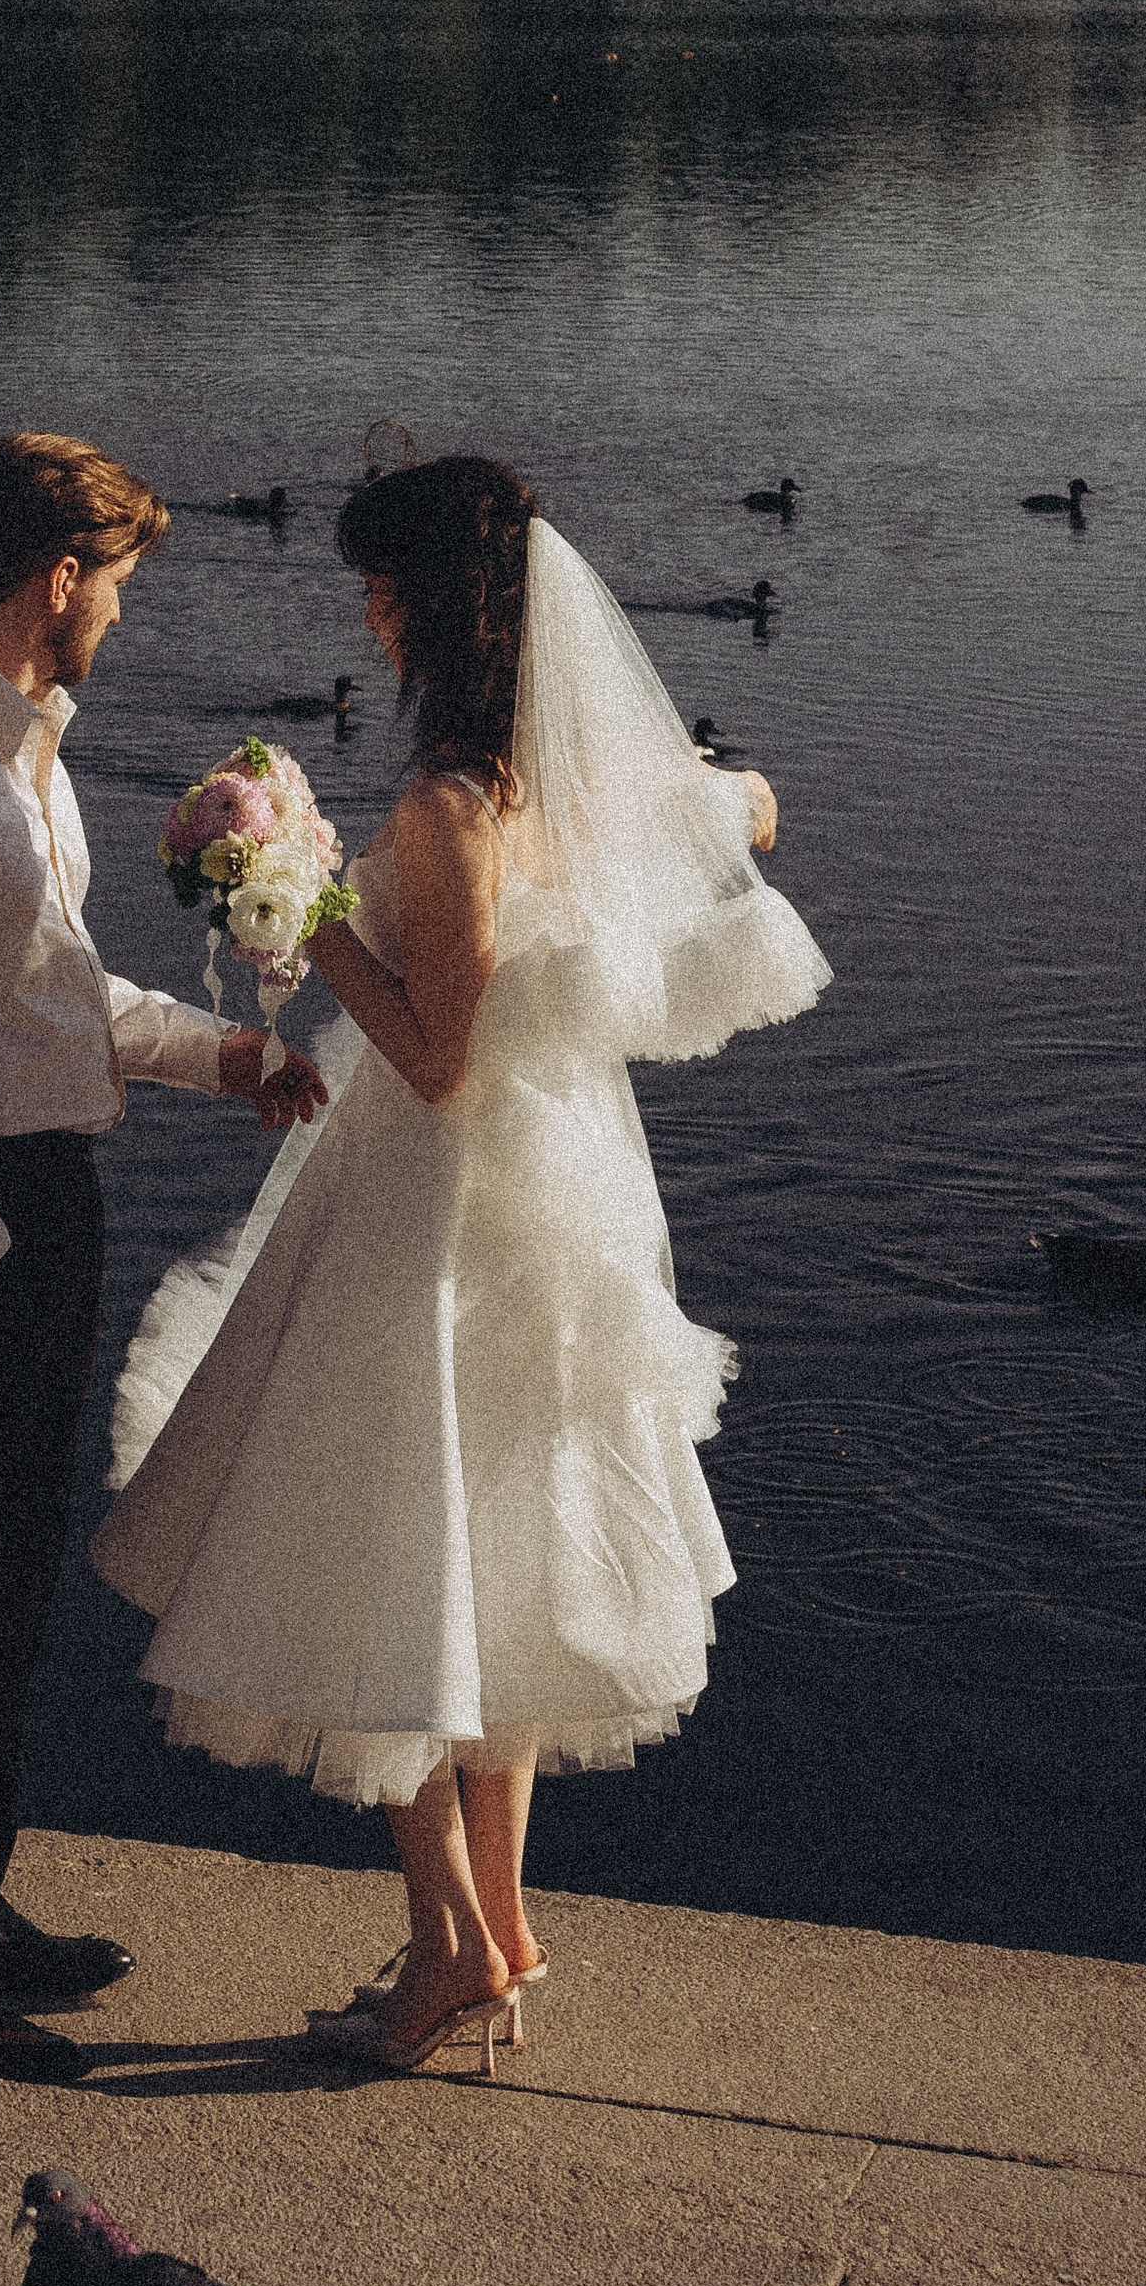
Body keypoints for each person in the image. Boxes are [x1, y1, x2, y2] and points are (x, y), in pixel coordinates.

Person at [94, 455, 830, 2074]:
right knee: (495, 1558)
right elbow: (750, 808)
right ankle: (501, 1928)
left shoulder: (446, 802)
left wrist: (301, 927)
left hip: (432, 1207)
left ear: (433, 603)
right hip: (553, 1212)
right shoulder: (558, 778)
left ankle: (447, 1942)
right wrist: (722, 793)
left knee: (382, 1552)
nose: (362, 607)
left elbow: (437, 1053)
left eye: (379, 584)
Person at [0, 429, 322, 2080]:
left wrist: (227, 1057)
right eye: (124, 588)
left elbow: (51, 997)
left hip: (28, 1206)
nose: (127, 620)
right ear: (60, 580)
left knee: (0, 1593)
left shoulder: (20, 752)